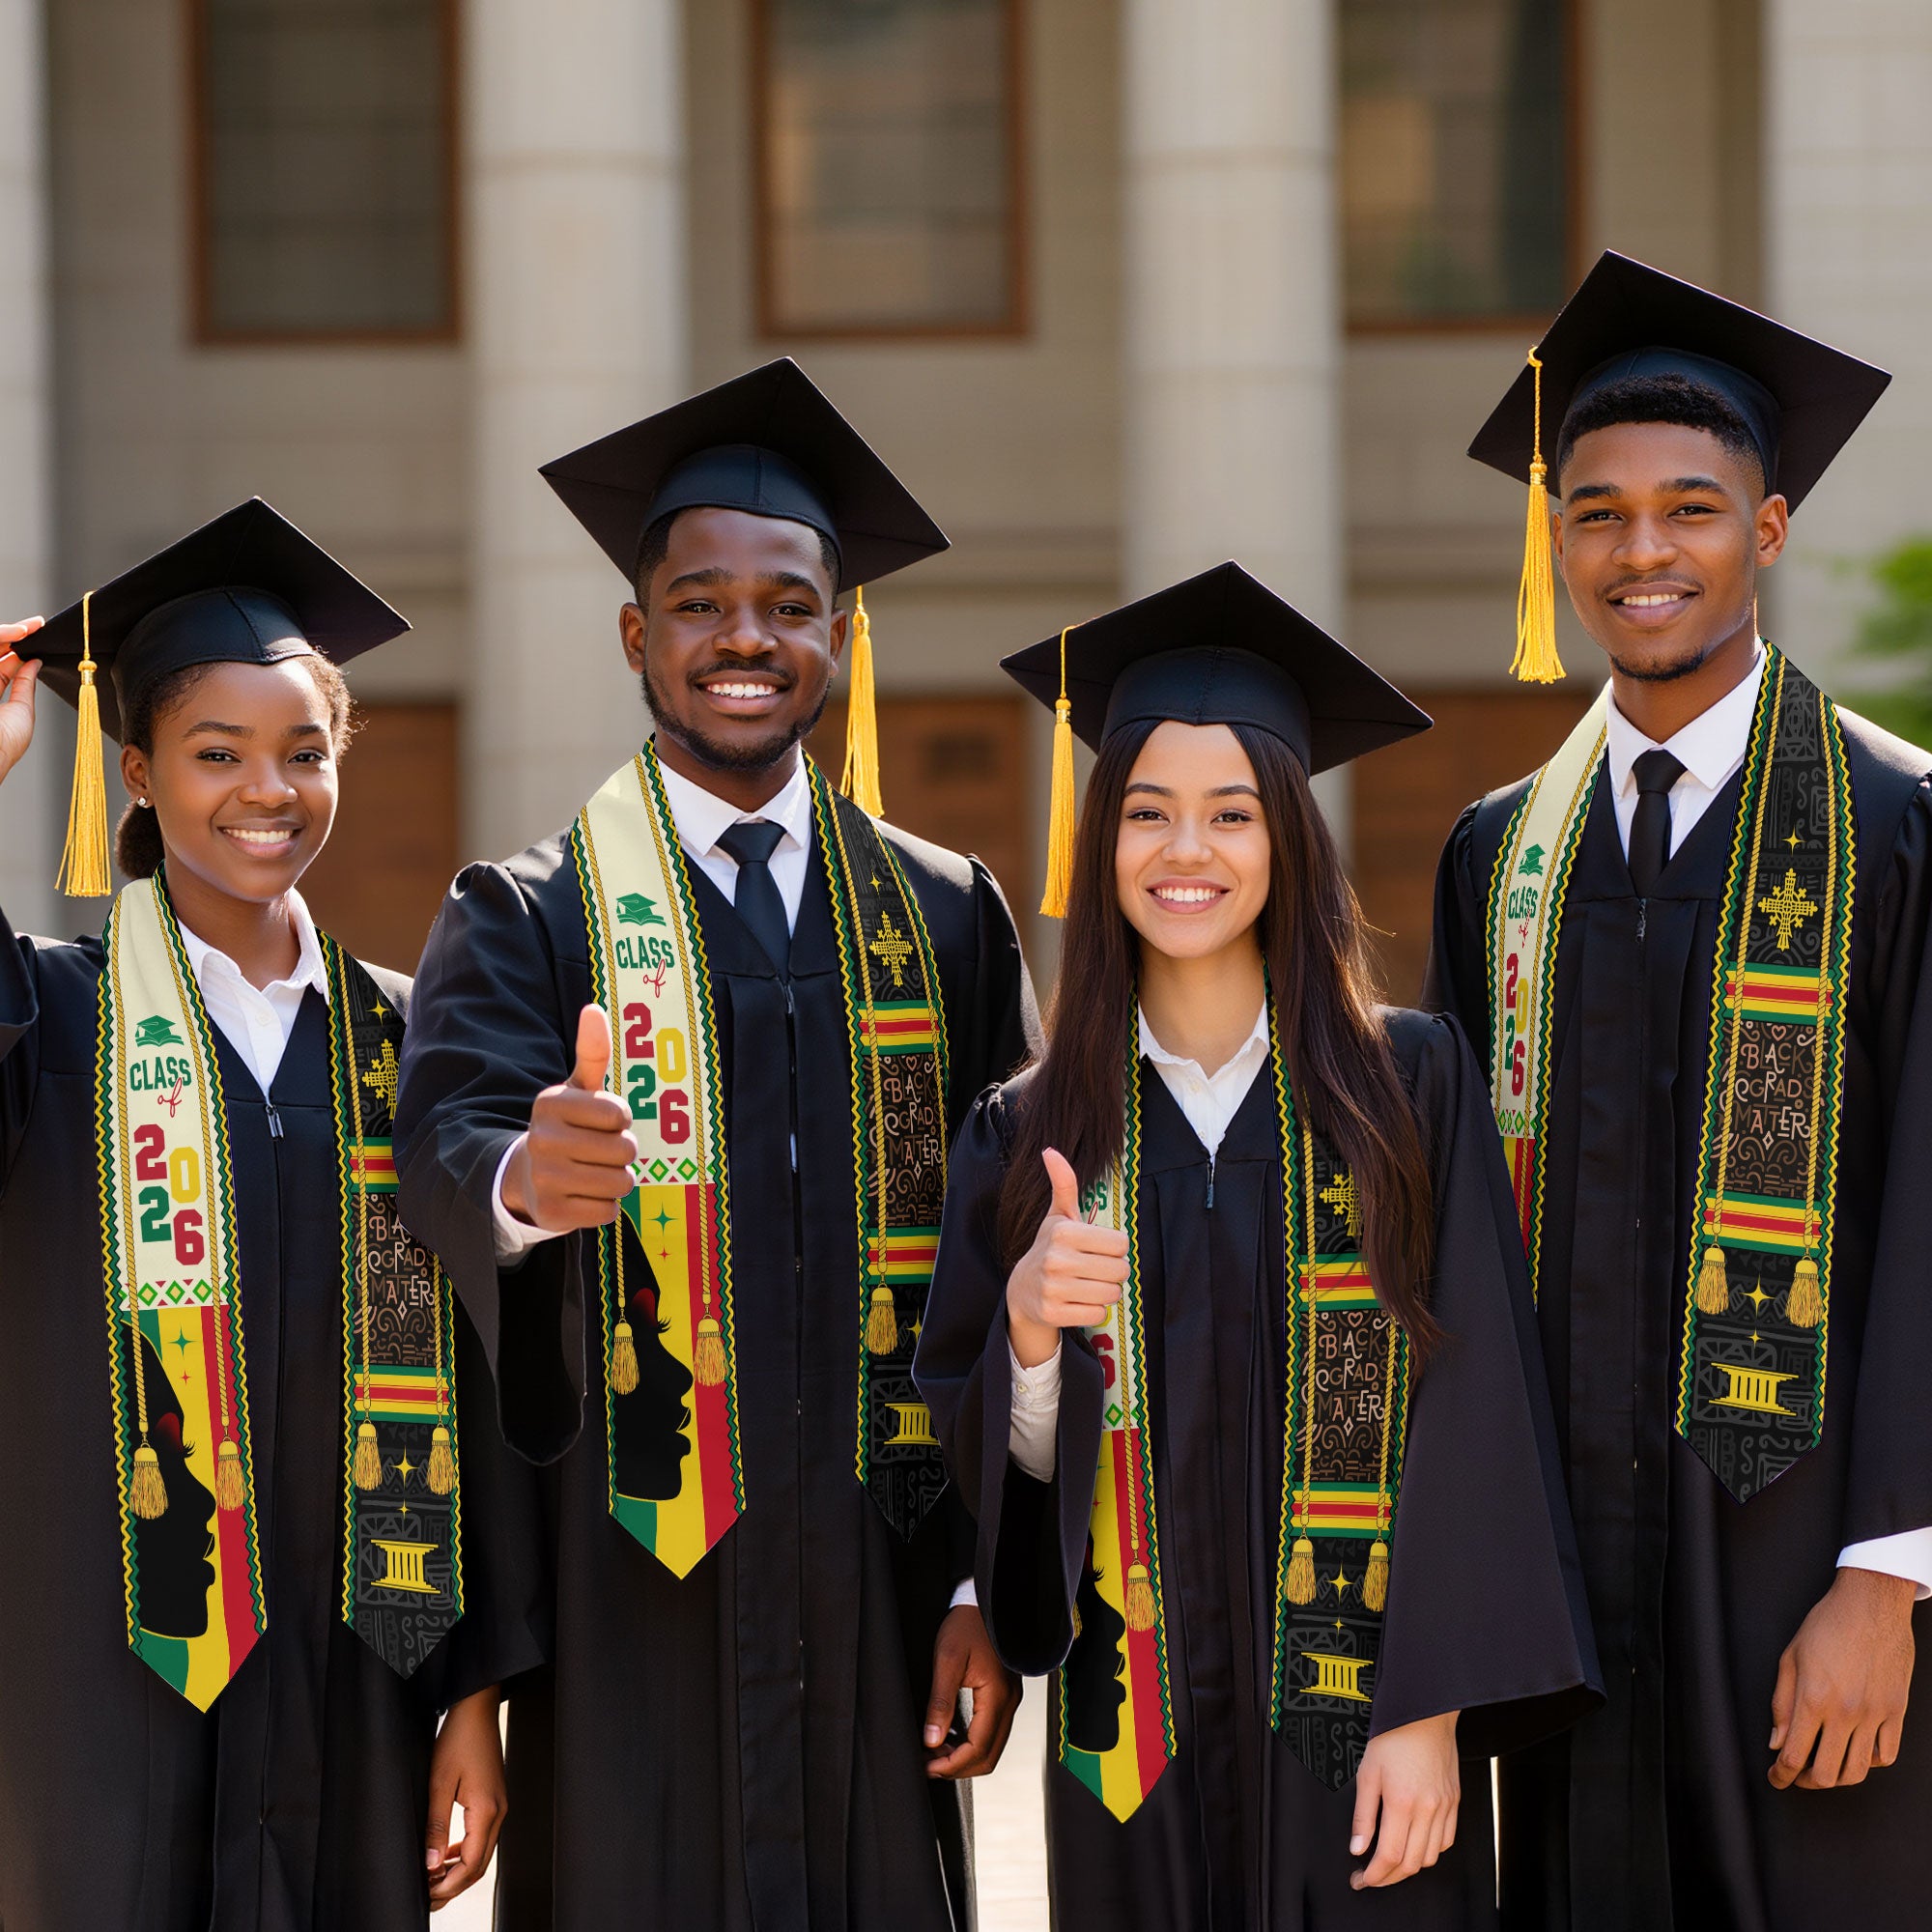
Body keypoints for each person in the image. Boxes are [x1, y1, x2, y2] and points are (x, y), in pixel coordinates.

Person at [392, 359, 1038, 1928]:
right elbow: (444, 1150)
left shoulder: (943, 915)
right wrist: (522, 1186)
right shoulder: (530, 915)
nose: (744, 638)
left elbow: (1018, 1251)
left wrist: (981, 1587)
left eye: (788, 603)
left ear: (839, 634)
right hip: (633, 1597)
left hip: (885, 1590)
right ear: (637, 634)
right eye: (698, 603)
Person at [916, 563, 1599, 1930]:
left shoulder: (1411, 1089)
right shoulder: (1032, 1128)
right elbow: (990, 1469)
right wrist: (1033, 1343)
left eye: (1231, 815)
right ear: (1100, 841)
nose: (1188, 853)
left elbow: (1479, 1408)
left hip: (1367, 1736)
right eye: (1149, 814)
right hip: (1133, 1746)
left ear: (1288, 839)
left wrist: (1431, 1708)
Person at [1427, 251, 1932, 1931]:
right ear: (1555, 539)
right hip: (1566, 1572)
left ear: (1769, 531)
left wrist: (1891, 1572)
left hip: (1805, 1563)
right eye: (1598, 511)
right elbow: (1446, 1245)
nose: (1643, 551)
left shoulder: (1901, 826)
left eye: (1692, 508)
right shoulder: (1501, 857)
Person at [0, 498, 547, 1931]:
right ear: (134, 771)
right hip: (93, 1681)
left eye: (305, 754)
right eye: (216, 754)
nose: (268, 790)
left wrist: (476, 1699)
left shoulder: (413, 1045)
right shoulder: (54, 1019)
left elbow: (485, 1387)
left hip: (356, 1667)